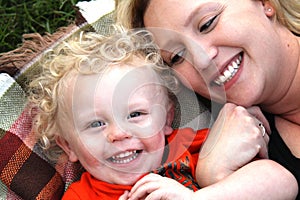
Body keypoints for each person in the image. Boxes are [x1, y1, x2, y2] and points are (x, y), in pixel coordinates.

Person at [27, 26, 297, 200]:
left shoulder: (192, 149)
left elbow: (282, 182)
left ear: (166, 119)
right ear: (68, 145)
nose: (118, 134)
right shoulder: (82, 197)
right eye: (96, 123)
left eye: (135, 115)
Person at [116, 0, 300, 198]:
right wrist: (214, 176)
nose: (202, 60)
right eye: (177, 56)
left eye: (207, 24)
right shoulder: (250, 159)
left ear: (265, 3)